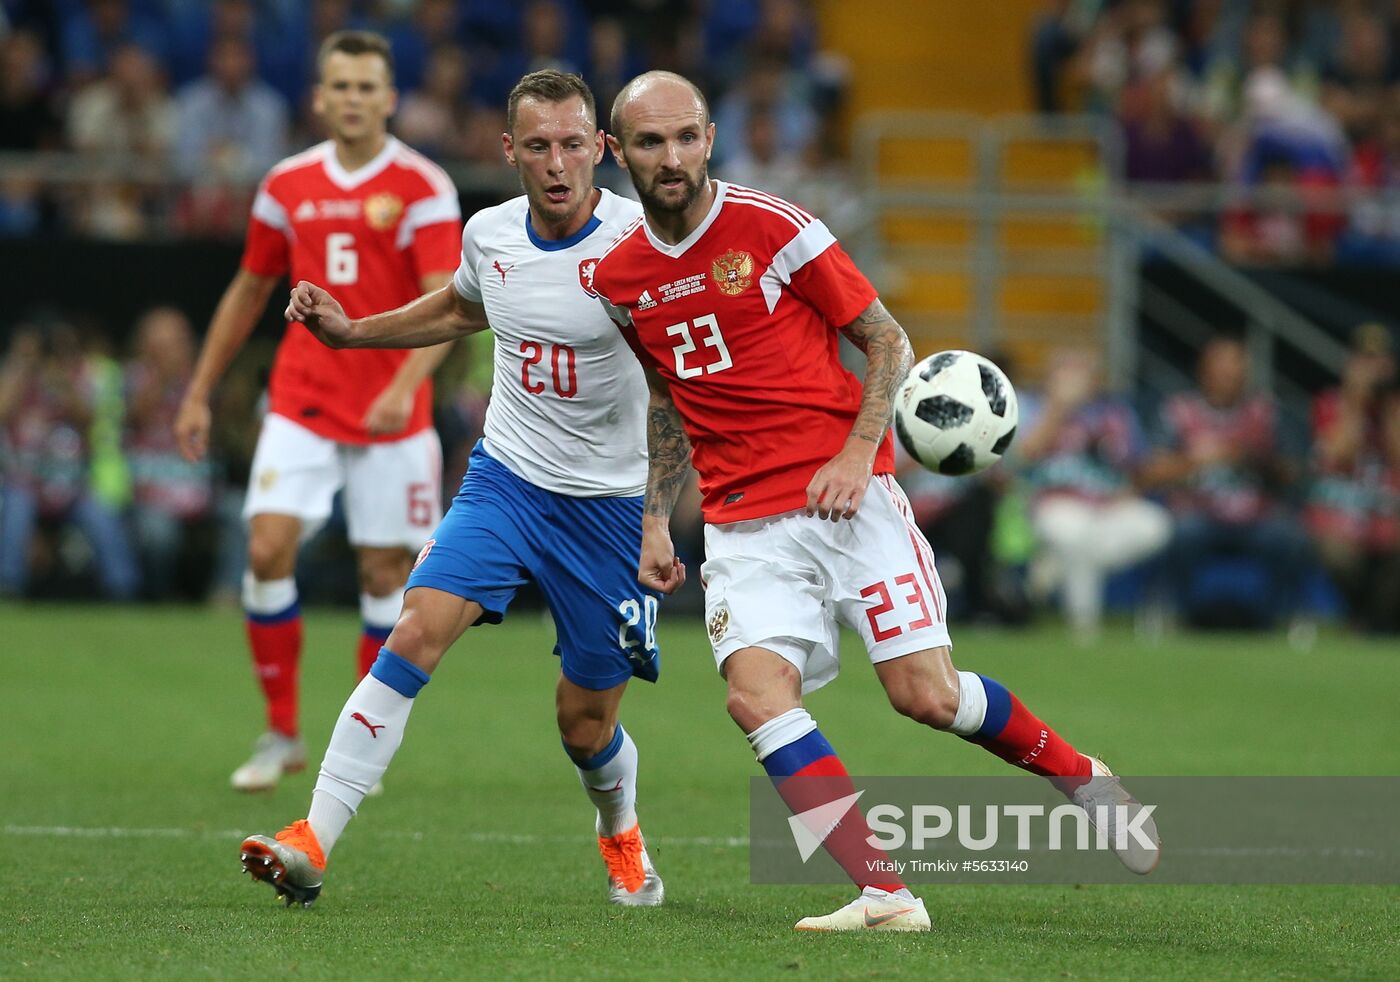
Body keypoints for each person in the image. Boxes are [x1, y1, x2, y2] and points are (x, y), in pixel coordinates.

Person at [591, 71, 1159, 933]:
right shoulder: (620, 276)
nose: (669, 158)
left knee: (925, 697)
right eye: (648, 142)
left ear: (709, 138)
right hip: (741, 522)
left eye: (684, 138)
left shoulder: (775, 227)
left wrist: (861, 452)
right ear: (617, 150)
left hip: (844, 501)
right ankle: (886, 893)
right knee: (755, 696)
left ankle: (1081, 776)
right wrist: (652, 519)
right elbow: (666, 398)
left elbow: (886, 339)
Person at [237, 70, 666, 909]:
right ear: (508, 151)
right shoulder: (490, 234)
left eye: (573, 145)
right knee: (415, 629)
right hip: (505, 481)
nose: (556, 164)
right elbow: (463, 308)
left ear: (601, 150)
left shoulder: (639, 248)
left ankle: (621, 833)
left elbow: (679, 391)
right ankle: (312, 840)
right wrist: (356, 333)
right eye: (537, 146)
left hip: (608, 509)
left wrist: (657, 519)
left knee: (585, 725)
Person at [173, 30, 462, 792]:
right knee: (267, 549)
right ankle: (280, 732)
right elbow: (249, 288)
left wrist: (403, 384)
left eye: (368, 86)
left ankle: (359, 745)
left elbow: (451, 302)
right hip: (302, 397)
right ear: (319, 96)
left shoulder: (424, 184)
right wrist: (200, 390)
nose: (355, 99)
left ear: (390, 97)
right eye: (341, 85)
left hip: (390, 412)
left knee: (383, 574)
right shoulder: (287, 183)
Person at [1018, 348, 1171, 640]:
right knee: (1076, 534)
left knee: (1156, 524)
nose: (1074, 380)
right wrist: (1059, 408)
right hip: (1055, 504)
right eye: (1066, 371)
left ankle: (1057, 567)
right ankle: (1084, 623)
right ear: (1050, 377)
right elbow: (1025, 455)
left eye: (1081, 372)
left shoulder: (1115, 413)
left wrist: (1129, 492)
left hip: (1108, 507)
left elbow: (1139, 468)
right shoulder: (1032, 407)